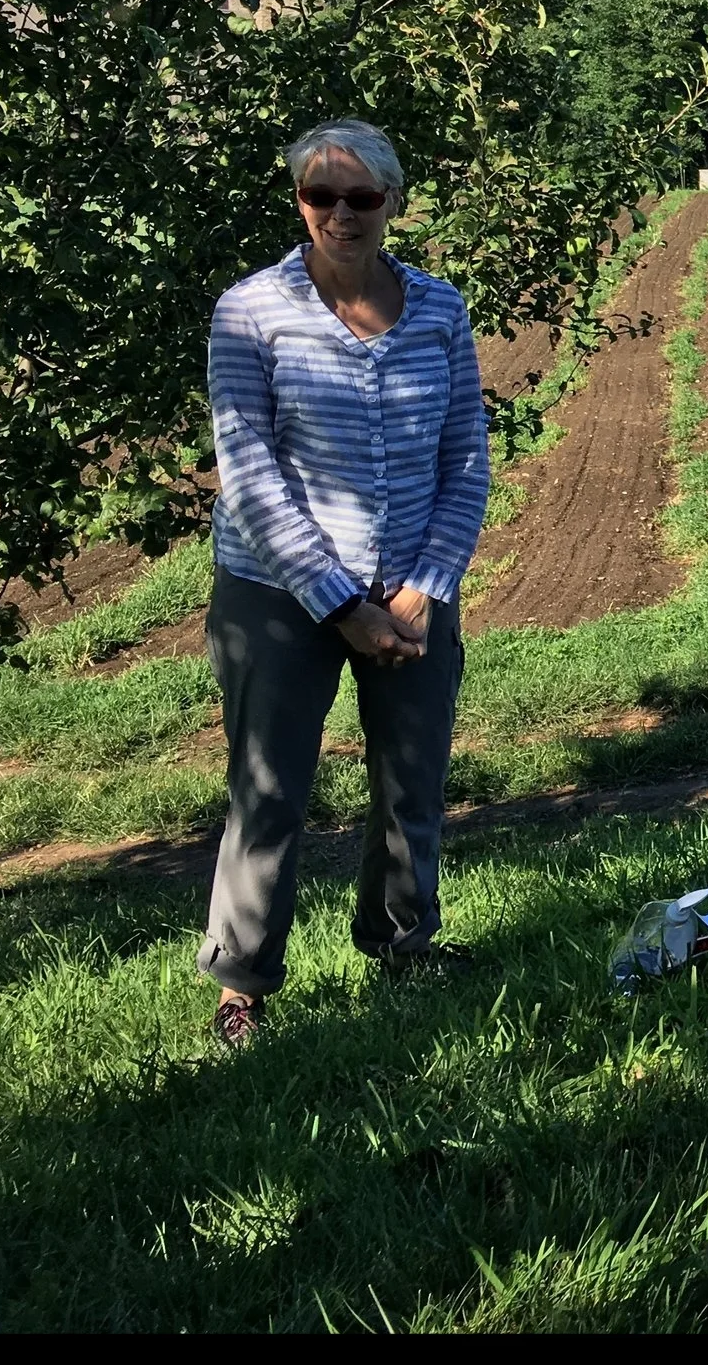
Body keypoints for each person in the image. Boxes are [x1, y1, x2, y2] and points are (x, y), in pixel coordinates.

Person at [199, 119, 489, 1048]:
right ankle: (242, 982)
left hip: (410, 594)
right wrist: (341, 603)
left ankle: (403, 945)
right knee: (270, 788)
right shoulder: (249, 311)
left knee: (413, 778)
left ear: (394, 202)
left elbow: (465, 460)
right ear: (299, 202)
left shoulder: (441, 311)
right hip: (276, 596)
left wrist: (423, 588)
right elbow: (248, 474)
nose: (340, 213)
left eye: (362, 197)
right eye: (321, 195)